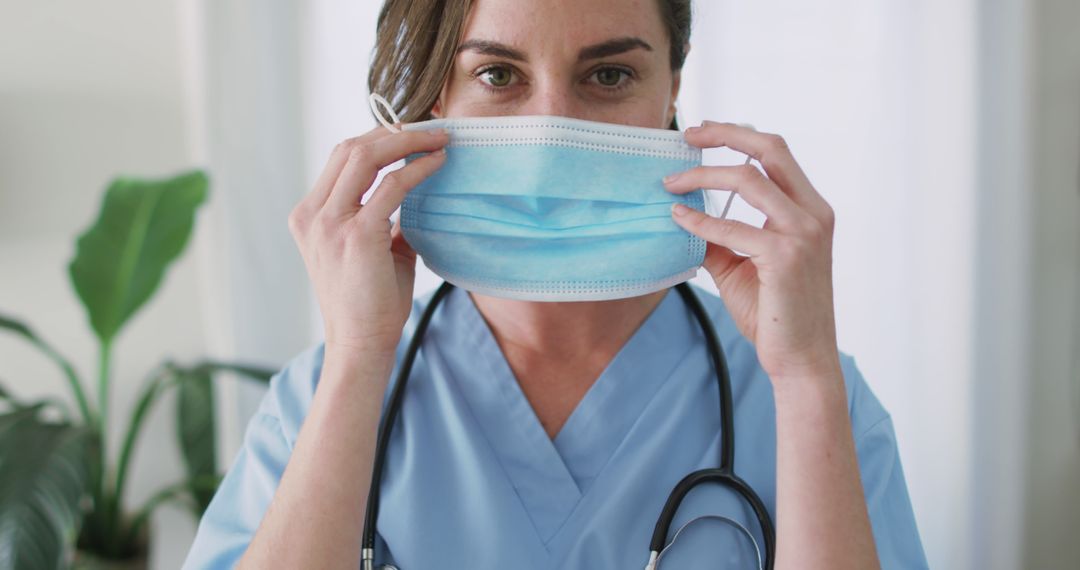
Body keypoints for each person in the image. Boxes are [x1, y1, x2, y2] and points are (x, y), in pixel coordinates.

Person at [183, 0, 928, 568]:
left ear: (672, 83)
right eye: (497, 75)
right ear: (436, 97)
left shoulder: (811, 394)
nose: (551, 128)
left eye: (609, 75)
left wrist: (803, 378)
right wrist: (356, 358)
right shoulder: (317, 401)